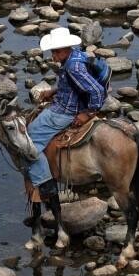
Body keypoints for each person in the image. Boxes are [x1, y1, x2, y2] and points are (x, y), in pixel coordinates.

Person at [27, 27, 106, 203]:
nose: (52, 56)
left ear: (65, 50)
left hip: (64, 112)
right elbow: (70, 85)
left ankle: (45, 182)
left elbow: (97, 90)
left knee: (29, 141)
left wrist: (89, 113)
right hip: (66, 101)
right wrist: (53, 91)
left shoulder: (73, 67)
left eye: (55, 51)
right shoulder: (76, 55)